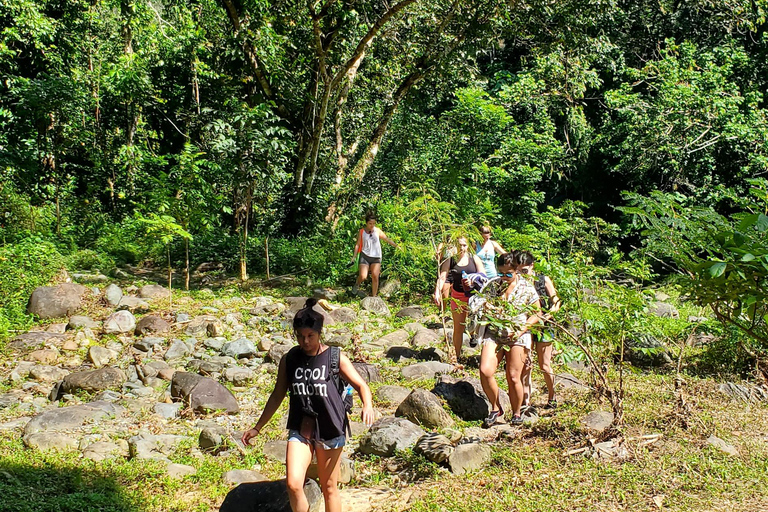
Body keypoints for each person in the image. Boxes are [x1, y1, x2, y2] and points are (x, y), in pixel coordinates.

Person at [242, 298, 374, 512]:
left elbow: (361, 385)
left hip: (330, 426)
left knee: (329, 486)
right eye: (300, 336)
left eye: (310, 336)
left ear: (319, 333)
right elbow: (277, 395)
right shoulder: (290, 359)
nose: (305, 341)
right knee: (293, 484)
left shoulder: (334, 357)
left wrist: (367, 405)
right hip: (301, 427)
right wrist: (257, 427)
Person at [478, 251, 540, 427]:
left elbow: (537, 313)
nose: (504, 277)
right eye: (501, 273)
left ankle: (517, 412)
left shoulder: (526, 287)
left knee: (513, 376)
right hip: (495, 333)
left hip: (517, 335)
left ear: (516, 271)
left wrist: (521, 329)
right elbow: (480, 304)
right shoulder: (494, 285)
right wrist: (487, 307)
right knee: (485, 370)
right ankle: (496, 407)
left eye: (508, 274)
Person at [517, 251, 562, 409]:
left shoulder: (543, 280)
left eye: (524, 270)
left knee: (544, 365)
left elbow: (556, 301)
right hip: (526, 326)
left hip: (544, 326)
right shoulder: (518, 282)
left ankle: (552, 396)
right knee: (526, 364)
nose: (522, 274)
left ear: (532, 266)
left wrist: (549, 314)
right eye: (519, 270)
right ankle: (525, 401)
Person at [433, 236, 486, 361]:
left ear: (468, 246)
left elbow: (483, 276)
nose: (462, 248)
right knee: (458, 327)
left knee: (477, 326)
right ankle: (456, 357)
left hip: (474, 298)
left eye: (464, 245)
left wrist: (473, 279)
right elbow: (442, 276)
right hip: (457, 296)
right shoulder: (450, 260)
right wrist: (437, 291)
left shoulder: (474, 258)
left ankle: (479, 347)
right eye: (459, 245)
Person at [352, 213, 398, 297]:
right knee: (363, 276)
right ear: (366, 223)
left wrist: (396, 246)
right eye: (370, 223)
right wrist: (354, 256)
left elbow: (386, 239)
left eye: (373, 223)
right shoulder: (362, 232)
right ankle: (357, 284)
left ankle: (374, 297)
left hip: (376, 257)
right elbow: (358, 244)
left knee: (375, 276)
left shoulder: (377, 231)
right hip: (365, 255)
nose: (372, 225)